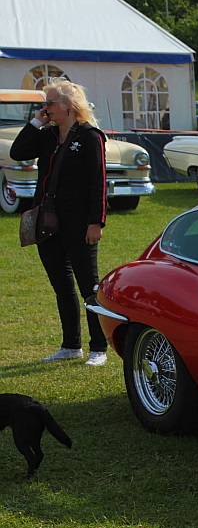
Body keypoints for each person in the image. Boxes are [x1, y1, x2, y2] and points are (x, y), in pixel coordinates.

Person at [10, 78, 109, 366]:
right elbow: (18, 153)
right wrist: (35, 122)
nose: (46, 107)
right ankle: (70, 345)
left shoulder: (90, 136)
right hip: (48, 222)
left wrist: (96, 222)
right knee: (61, 286)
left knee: (88, 286)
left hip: (79, 223)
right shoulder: (47, 135)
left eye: (50, 102)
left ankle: (98, 348)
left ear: (68, 106)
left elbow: (98, 183)